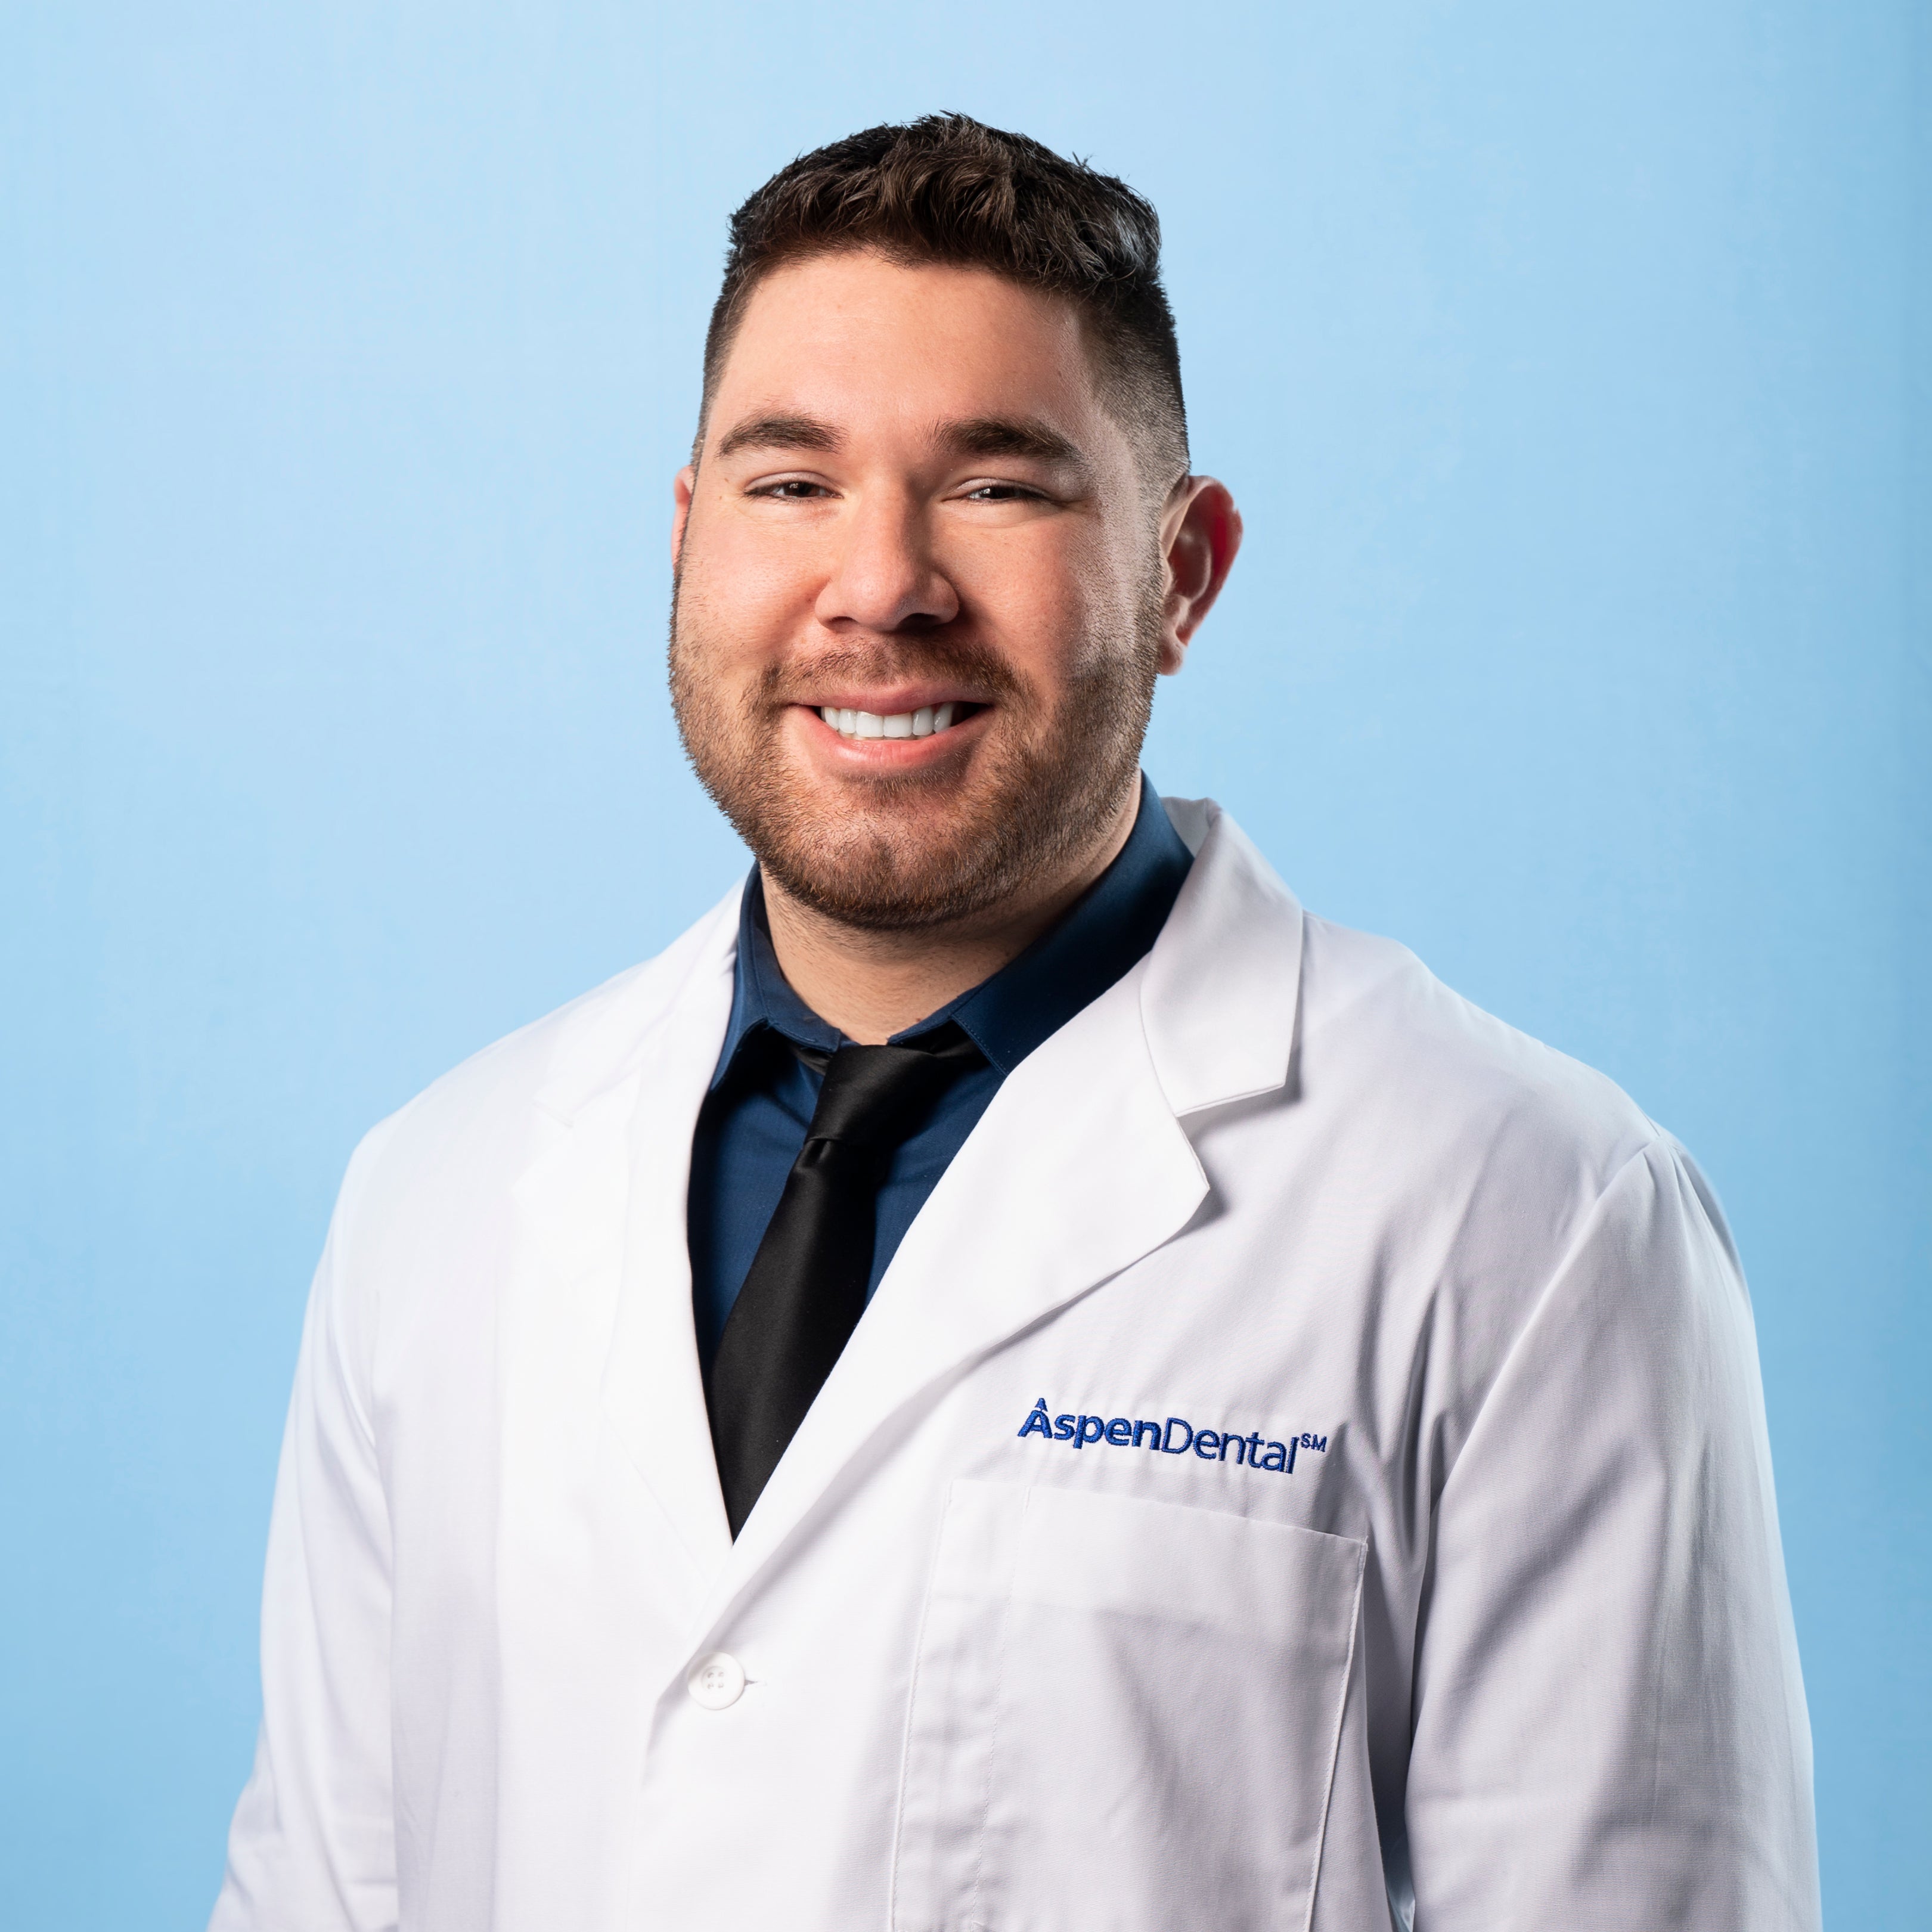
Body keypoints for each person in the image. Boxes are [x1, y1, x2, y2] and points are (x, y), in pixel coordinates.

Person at [210, 115, 1819, 1931]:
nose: (879, 584)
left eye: (995, 486)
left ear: (1182, 573)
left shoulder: (1526, 1219)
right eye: (790, 482)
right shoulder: (438, 1194)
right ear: (686, 539)